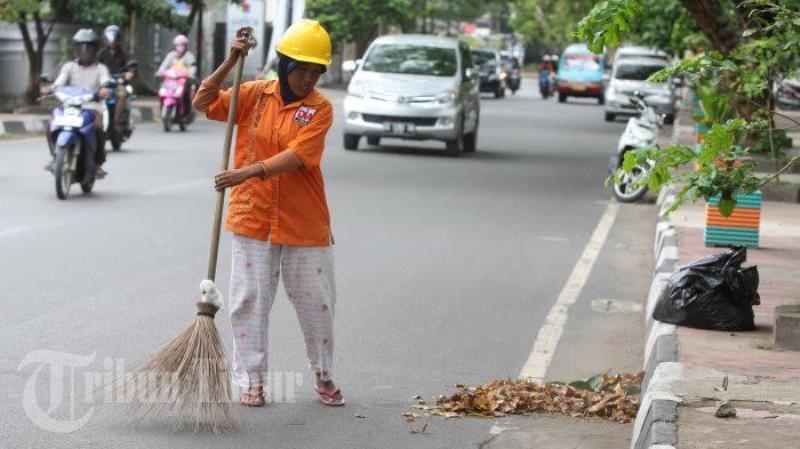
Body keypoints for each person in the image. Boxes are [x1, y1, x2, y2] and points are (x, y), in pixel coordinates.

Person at [193, 21, 343, 407]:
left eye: (316, 71)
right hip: (252, 217)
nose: (308, 78)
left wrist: (247, 171)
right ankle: (252, 382)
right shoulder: (254, 94)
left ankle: (324, 374)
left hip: (304, 222)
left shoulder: (320, 109)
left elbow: (298, 156)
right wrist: (230, 60)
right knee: (249, 302)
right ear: (283, 64)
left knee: (317, 304)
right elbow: (203, 103)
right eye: (301, 69)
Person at [42, 28, 111, 178]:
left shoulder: (100, 68)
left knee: (98, 127)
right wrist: (51, 88)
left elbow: (105, 83)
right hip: (69, 106)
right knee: (50, 125)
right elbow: (59, 82)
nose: (85, 51)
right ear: (76, 49)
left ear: (95, 49)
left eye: (89, 47)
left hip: (92, 107)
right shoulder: (69, 67)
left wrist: (104, 90)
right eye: (81, 47)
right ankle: (55, 157)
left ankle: (98, 164)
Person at [98, 25, 136, 133]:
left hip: (119, 84)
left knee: (123, 94)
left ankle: (116, 120)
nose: (112, 41)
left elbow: (131, 66)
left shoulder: (124, 54)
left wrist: (130, 73)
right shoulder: (101, 54)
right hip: (105, 85)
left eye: (114, 37)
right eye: (109, 37)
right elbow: (95, 66)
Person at [157, 35, 196, 116]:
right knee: (162, 91)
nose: (180, 48)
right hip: (171, 80)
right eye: (177, 45)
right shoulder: (171, 55)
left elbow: (193, 67)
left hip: (183, 80)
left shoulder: (189, 56)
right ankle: (162, 108)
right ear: (174, 46)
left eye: (182, 45)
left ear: (185, 46)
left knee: (186, 92)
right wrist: (160, 72)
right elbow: (164, 65)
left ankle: (186, 111)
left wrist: (190, 73)